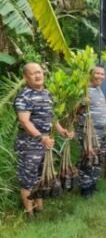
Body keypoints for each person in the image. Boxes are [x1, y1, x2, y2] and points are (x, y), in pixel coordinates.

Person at [14, 63, 73, 218]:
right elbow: (25, 121)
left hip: (45, 143)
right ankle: (29, 213)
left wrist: (62, 131)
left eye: (39, 72)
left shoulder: (47, 93)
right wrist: (41, 138)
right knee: (28, 178)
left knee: (40, 176)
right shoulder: (24, 96)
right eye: (33, 73)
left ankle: (39, 207)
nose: (38, 75)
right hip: (29, 144)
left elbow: (51, 117)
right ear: (26, 77)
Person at [77, 66, 106, 197]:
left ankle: (92, 185)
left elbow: (98, 109)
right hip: (90, 131)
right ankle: (85, 189)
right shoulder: (84, 90)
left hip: (101, 132)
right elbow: (75, 111)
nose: (100, 76)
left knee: (98, 159)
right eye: (97, 73)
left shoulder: (98, 90)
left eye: (102, 74)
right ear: (90, 75)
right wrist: (81, 104)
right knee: (88, 159)